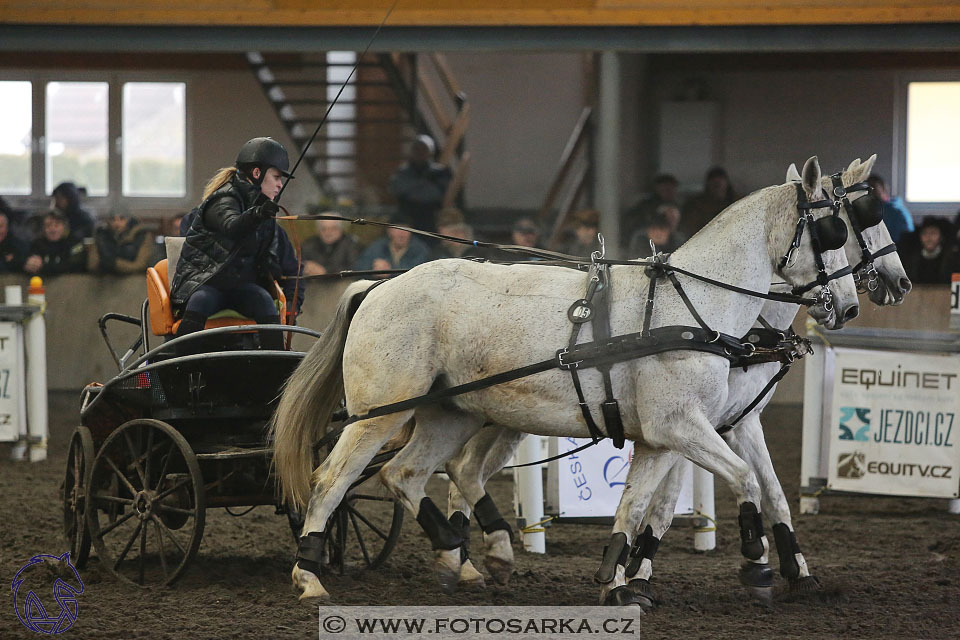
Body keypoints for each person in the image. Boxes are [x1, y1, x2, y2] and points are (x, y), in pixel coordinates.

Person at [169, 137, 304, 349]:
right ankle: (179, 366)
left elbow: (284, 266)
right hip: (208, 285)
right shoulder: (221, 199)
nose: (280, 184)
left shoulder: (266, 217)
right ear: (257, 173)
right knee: (200, 301)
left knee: (263, 300)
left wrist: (290, 308)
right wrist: (258, 214)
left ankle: (277, 368)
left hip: (242, 288)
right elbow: (232, 226)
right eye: (276, 177)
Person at [388, 134, 452, 234]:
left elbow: (435, 195)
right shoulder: (402, 172)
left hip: (432, 220)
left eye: (424, 149)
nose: (420, 152)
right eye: (416, 149)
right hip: (406, 219)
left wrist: (413, 187)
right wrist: (424, 184)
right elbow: (398, 190)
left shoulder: (440, 172)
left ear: (430, 152)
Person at [87, 206, 154, 275]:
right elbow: (92, 265)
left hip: (134, 279)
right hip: (105, 280)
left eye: (122, 218)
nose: (117, 223)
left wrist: (114, 263)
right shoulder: (102, 235)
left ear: (129, 219)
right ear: (108, 221)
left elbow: (140, 265)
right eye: (113, 219)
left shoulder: (141, 235)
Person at [353, 216, 431, 272]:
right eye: (397, 229)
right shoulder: (378, 247)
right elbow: (358, 267)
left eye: (406, 229)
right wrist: (373, 269)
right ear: (389, 231)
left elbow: (419, 274)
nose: (401, 233)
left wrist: (389, 271)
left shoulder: (420, 249)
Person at [23, 210, 86, 276]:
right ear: (43, 229)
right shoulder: (37, 244)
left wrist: (44, 267)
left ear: (64, 227)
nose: (53, 229)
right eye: (48, 225)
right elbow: (27, 261)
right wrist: (30, 265)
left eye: (57, 225)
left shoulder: (76, 243)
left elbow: (76, 265)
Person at [622, 173, 681, 244]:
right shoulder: (645, 206)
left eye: (671, 189)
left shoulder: (679, 206)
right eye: (665, 189)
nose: (668, 192)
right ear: (657, 189)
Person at [680, 166, 737, 238]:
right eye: (714, 183)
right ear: (708, 184)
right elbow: (689, 228)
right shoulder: (695, 204)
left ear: (726, 183)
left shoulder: (737, 202)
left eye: (719, 182)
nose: (717, 185)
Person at [900, 217, 955, 284]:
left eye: (933, 233)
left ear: (941, 237)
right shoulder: (911, 259)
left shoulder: (951, 259)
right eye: (924, 233)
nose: (928, 237)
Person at [866, 174, 915, 244]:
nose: (870, 196)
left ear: (883, 190)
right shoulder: (894, 208)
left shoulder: (894, 213)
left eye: (874, 191)